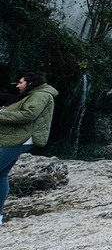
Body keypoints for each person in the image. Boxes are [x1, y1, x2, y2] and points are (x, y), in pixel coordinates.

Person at [0, 72, 58, 225]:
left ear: (30, 83)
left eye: (20, 82)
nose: (18, 85)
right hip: (18, 139)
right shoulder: (35, 94)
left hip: (19, 139)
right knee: (2, 175)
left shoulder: (40, 95)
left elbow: (29, 114)